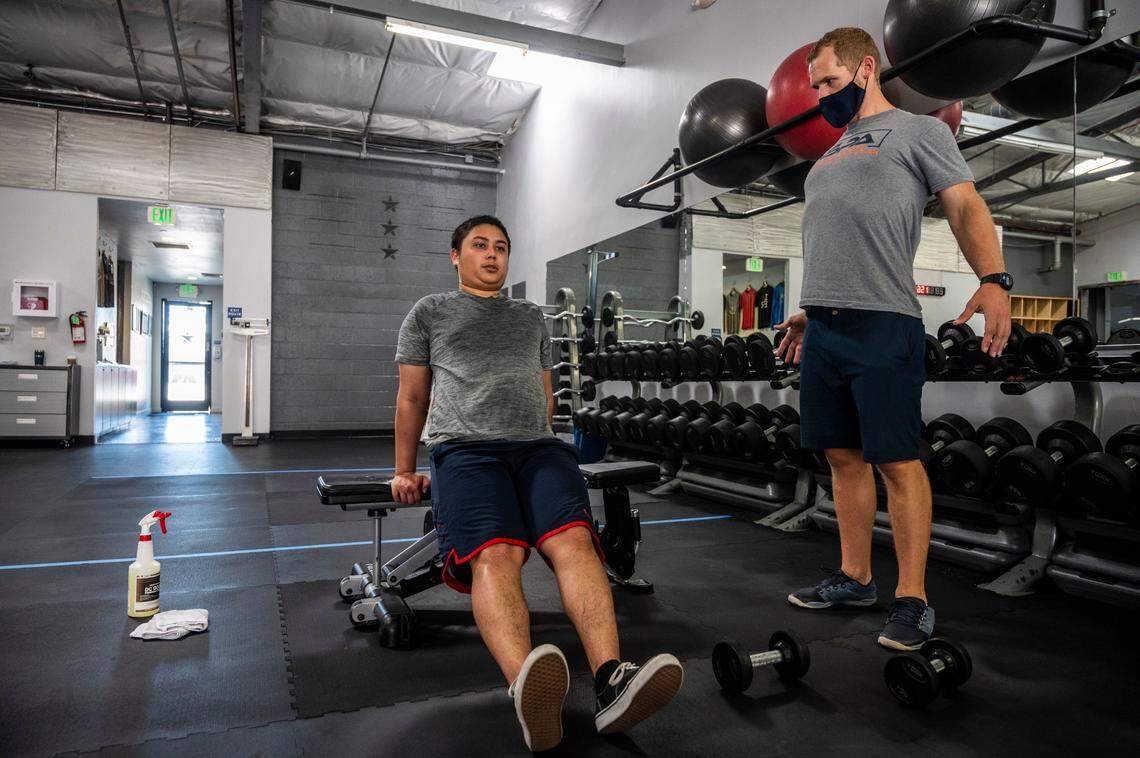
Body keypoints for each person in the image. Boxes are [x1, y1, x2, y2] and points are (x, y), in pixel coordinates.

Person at [390, 215, 683, 752]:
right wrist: (404, 468)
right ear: (456, 256)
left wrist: (543, 435)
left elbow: (545, 390)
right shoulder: (429, 312)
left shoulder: (530, 318)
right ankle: (527, 684)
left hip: (540, 450)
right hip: (464, 449)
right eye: (479, 246)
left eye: (501, 247)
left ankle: (611, 679)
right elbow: (411, 396)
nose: (492, 255)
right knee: (498, 554)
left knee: (573, 542)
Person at [775, 28, 1013, 651]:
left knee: (897, 462)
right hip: (824, 327)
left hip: (883, 323)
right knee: (842, 458)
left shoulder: (921, 132)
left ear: (865, 69)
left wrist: (994, 279)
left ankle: (913, 597)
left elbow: (964, 206)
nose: (821, 94)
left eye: (829, 81)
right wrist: (808, 309)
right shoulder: (827, 155)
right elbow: (831, 240)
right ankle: (855, 576)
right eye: (815, 83)